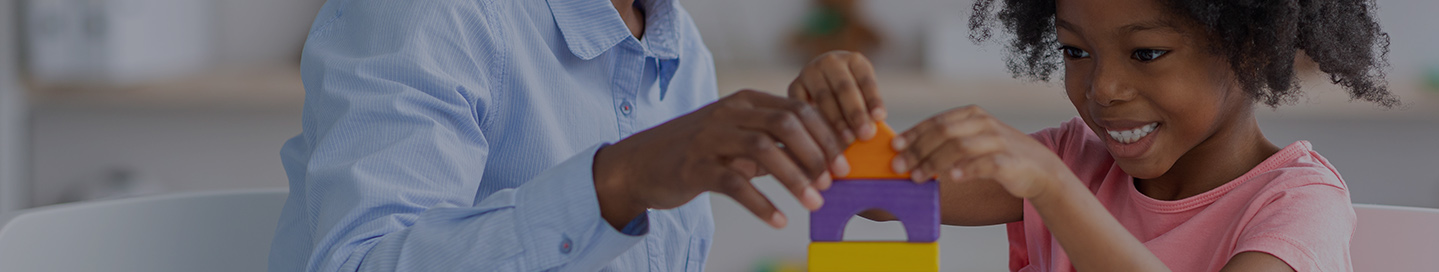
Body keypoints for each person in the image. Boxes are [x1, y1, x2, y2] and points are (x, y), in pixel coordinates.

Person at [791, 0, 1395, 270]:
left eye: (1146, 53)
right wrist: (828, 112)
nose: (1102, 89)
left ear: (1251, 47)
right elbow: (873, 191)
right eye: (1075, 51)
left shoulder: (1298, 205)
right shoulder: (1069, 160)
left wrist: (1055, 190)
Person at [268, 0, 856, 271]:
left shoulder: (681, 47)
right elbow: (361, 263)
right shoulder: (434, 12)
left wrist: (858, 158)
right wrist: (615, 184)